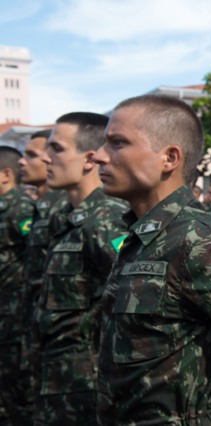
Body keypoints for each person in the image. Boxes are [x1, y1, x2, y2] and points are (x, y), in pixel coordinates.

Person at [92, 94, 211, 425]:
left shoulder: (209, 242)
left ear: (169, 158)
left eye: (117, 143)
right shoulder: (139, 238)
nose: (99, 156)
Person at [36, 112, 128, 425]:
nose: (45, 159)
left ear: (89, 159)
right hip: (57, 382)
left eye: (57, 149)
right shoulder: (65, 217)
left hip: (89, 391)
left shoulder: (106, 219)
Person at [17, 129, 68, 422]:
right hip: (41, 344)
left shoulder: (99, 216)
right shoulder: (48, 209)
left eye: (31, 155)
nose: (27, 162)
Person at [0, 144, 36, 425]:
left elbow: (34, 253)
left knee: (16, 389)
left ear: (6, 174)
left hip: (15, 314)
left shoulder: (21, 207)